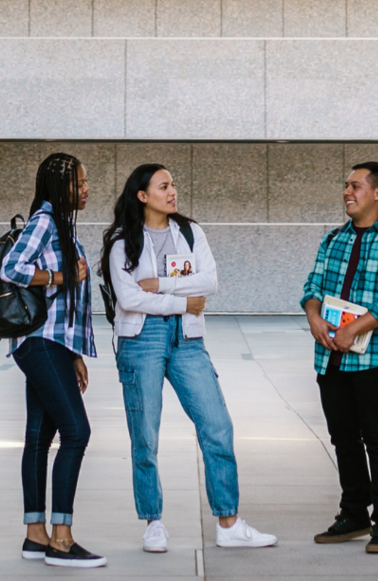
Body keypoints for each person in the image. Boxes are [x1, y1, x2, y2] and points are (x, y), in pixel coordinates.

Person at [100, 163, 277, 552]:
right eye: (163, 186)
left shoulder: (189, 232)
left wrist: (161, 286)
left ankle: (228, 522)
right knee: (145, 435)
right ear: (142, 196)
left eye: (173, 184)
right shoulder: (121, 240)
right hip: (141, 340)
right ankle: (153, 522)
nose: (172, 191)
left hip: (188, 342)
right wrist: (183, 302)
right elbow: (129, 298)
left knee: (217, 425)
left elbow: (209, 281)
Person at [300, 163, 378, 554]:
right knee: (343, 439)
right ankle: (353, 514)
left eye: (356, 185)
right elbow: (312, 284)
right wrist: (314, 315)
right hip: (331, 357)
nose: (347, 191)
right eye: (346, 185)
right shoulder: (334, 239)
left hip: (377, 359)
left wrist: (355, 328)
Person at [0, 153, 106, 569]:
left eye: (86, 181)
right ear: (59, 186)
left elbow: (69, 305)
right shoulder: (44, 223)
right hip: (40, 342)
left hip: (53, 344)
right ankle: (61, 540)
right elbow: (12, 268)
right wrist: (63, 277)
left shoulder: (62, 226)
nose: (86, 189)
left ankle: (35, 535)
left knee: (40, 439)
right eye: (79, 182)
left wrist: (74, 352)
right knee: (76, 432)